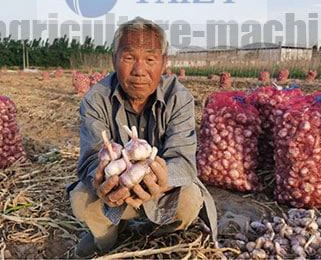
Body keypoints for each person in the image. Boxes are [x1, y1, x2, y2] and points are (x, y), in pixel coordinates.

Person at [68, 17, 217, 257]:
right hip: (115, 191)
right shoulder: (96, 99)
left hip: (161, 191)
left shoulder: (179, 98)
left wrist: (161, 179)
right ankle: (109, 234)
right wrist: (101, 180)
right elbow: (91, 158)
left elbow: (183, 161)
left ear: (164, 62)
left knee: (189, 201)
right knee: (80, 199)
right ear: (114, 59)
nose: (139, 71)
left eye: (150, 59)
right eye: (129, 58)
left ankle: (152, 230)